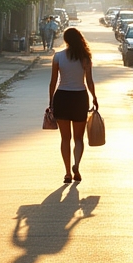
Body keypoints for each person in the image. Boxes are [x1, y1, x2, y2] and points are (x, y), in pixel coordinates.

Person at [48, 27, 99, 184]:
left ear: (66, 40)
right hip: (79, 98)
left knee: (65, 138)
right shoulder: (85, 58)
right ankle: (77, 165)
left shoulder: (58, 57)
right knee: (78, 138)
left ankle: (67, 173)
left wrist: (51, 102)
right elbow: (89, 81)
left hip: (62, 97)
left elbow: (53, 82)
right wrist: (94, 97)